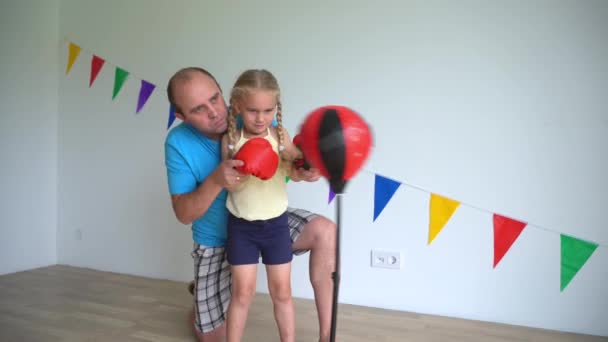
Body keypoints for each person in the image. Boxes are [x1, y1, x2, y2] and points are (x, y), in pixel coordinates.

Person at [164, 67, 336, 342]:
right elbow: (183, 214)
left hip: (267, 220)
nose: (214, 112)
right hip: (218, 237)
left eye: (215, 98)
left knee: (326, 231)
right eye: (198, 109)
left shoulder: (254, 112)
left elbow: (288, 168)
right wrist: (216, 179)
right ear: (181, 116)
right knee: (213, 338)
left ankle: (328, 336)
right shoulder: (179, 142)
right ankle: (201, 302)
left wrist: (304, 170)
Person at [221, 69, 302, 342]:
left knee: (282, 292)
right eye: (253, 110)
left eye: (268, 110)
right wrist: (243, 172)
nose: (260, 118)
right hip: (241, 226)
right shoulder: (231, 140)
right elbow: (230, 186)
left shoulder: (280, 135)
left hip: (276, 225)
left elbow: (297, 162)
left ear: (275, 108)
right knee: (242, 293)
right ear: (239, 106)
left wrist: (300, 158)